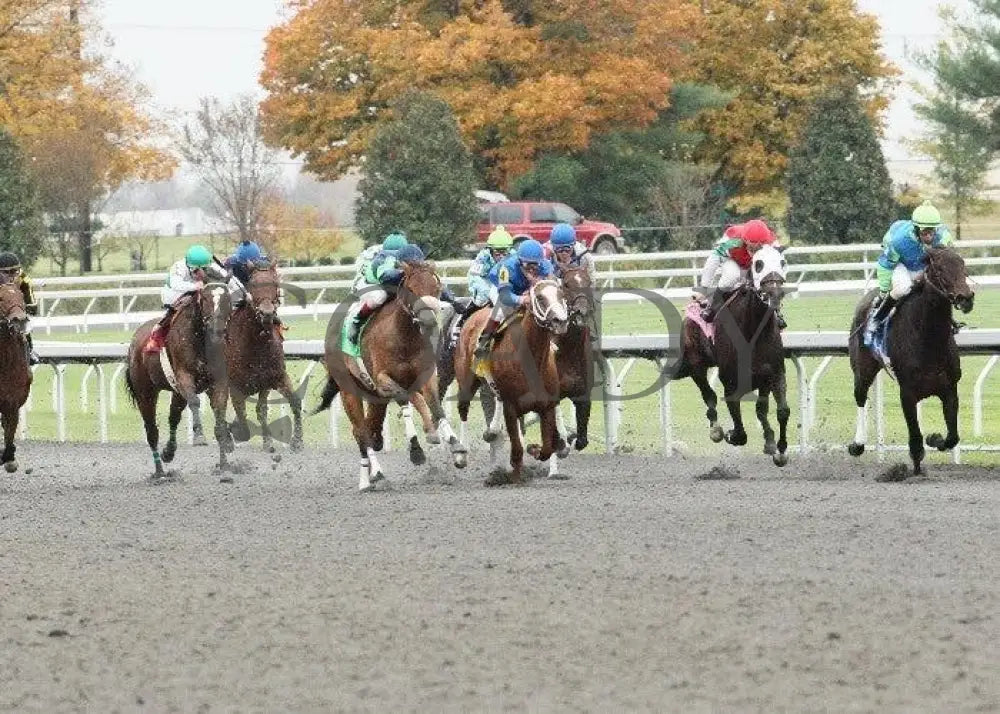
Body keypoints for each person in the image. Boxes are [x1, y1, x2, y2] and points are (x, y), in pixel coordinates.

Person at [865, 200, 954, 342]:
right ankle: (877, 318)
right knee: (903, 288)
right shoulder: (899, 240)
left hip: (924, 266)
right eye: (925, 230)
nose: (929, 235)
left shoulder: (944, 238)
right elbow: (886, 265)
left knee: (937, 287)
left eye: (932, 230)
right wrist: (883, 290)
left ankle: (949, 322)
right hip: (901, 265)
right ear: (915, 228)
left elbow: (947, 263)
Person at [694, 219, 786, 329]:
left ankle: (776, 312)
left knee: (768, 281)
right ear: (744, 240)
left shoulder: (773, 244)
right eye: (751, 247)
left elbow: (780, 266)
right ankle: (712, 308)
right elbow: (713, 260)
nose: (754, 251)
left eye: (758, 248)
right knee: (732, 275)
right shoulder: (732, 241)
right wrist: (704, 288)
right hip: (734, 262)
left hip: (757, 265)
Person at [475, 238, 554, 360]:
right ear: (520, 261)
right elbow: (505, 296)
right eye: (528, 264)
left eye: (536, 264)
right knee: (501, 310)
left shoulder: (545, 265)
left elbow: (550, 287)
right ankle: (483, 342)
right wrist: (522, 300)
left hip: (525, 288)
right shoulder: (505, 268)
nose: (532, 268)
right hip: (501, 288)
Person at [143, 244, 226, 354]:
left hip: (196, 290)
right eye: (196, 270)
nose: (201, 272)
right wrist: (195, 286)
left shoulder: (207, 263)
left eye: (204, 269)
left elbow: (226, 277)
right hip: (174, 293)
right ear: (190, 265)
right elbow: (175, 284)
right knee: (188, 299)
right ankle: (157, 333)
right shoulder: (178, 267)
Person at [344, 236, 412, 348]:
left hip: (387, 283)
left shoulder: (406, 256)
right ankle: (357, 320)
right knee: (379, 296)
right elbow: (386, 276)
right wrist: (402, 274)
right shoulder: (383, 257)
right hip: (368, 284)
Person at [0, 251, 39, 364]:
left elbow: (33, 307)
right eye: (6, 273)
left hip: (14, 313)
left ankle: (29, 352)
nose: (11, 277)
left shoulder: (24, 281)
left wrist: (18, 308)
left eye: (15, 272)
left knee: (23, 324)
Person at [466, 226, 514, 314]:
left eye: (504, 253)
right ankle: (463, 320)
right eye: (497, 253)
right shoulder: (483, 257)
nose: (501, 256)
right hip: (486, 282)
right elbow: (474, 276)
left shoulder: (514, 256)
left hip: (504, 283)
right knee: (480, 301)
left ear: (510, 250)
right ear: (490, 250)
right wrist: (486, 292)